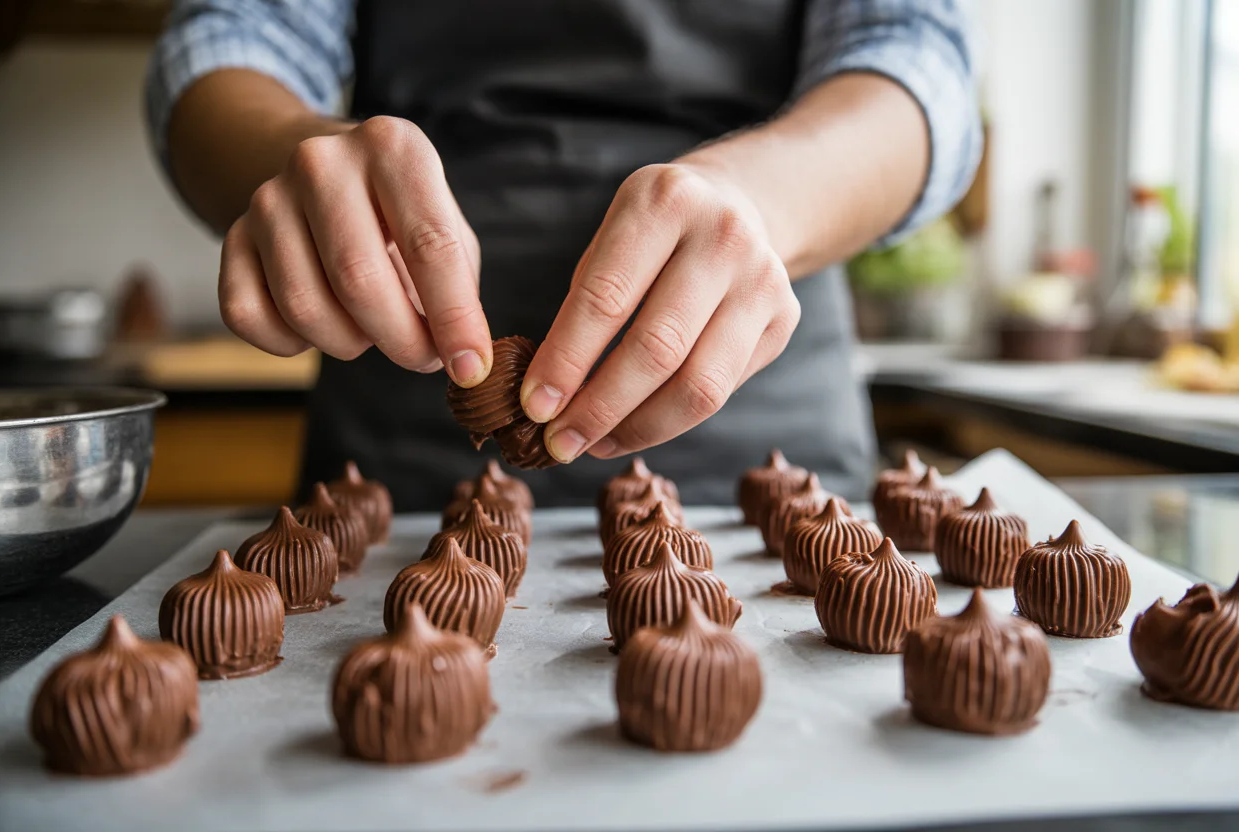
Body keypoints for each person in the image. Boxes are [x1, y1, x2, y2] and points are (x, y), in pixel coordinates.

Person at [146, 0, 981, 510]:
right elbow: (231, 35)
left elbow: (916, 55)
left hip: (760, 432)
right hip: (400, 421)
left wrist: (757, 196)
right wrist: (290, 159)